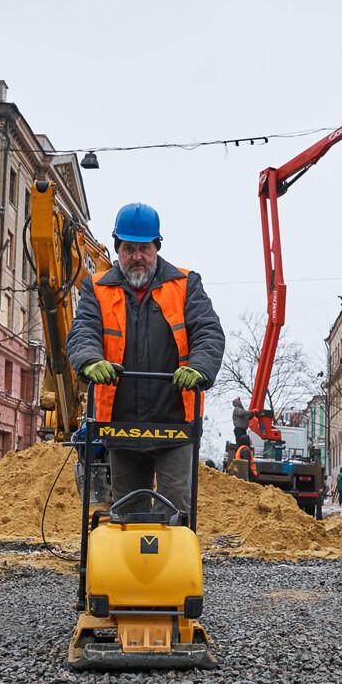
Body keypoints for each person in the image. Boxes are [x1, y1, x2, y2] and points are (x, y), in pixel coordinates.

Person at [67, 202, 225, 515]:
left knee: (175, 512)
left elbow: (208, 332)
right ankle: (131, 566)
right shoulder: (96, 289)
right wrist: (89, 360)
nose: (137, 257)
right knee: (128, 514)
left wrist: (199, 368)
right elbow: (82, 332)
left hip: (174, 422)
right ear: (117, 249)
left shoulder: (185, 285)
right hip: (121, 423)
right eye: (129, 249)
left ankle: (171, 565)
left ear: (157, 247)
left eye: (144, 248)